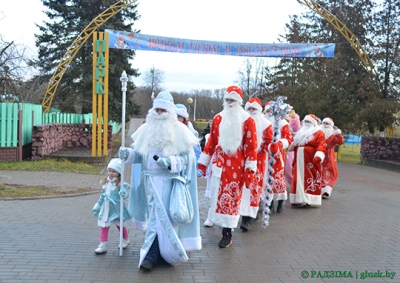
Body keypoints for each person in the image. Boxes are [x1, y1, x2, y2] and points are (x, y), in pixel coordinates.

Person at [118, 91, 201, 271]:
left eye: (163, 110)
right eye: (157, 109)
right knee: (156, 219)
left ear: (170, 112)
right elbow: (140, 156)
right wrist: (129, 155)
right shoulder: (147, 130)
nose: (159, 113)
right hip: (149, 184)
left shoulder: (180, 132)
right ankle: (165, 254)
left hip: (169, 184)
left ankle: (151, 255)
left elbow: (188, 160)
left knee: (162, 220)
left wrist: (170, 162)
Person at [197, 85, 258, 248]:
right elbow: (211, 142)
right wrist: (203, 163)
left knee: (232, 199)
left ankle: (227, 233)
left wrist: (250, 169)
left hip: (237, 167)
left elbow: (251, 147)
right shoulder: (218, 118)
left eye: (232, 100)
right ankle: (223, 229)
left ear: (238, 101)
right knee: (218, 197)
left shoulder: (248, 121)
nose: (229, 103)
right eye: (227, 100)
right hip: (219, 166)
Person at [239, 98, 273, 231]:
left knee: (253, 189)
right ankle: (243, 215)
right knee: (243, 189)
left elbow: (269, 142)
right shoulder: (241, 121)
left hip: (258, 161)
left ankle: (246, 219)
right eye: (249, 109)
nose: (251, 111)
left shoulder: (265, 124)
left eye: (254, 109)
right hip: (242, 160)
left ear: (259, 111)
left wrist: (273, 146)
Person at [92, 158, 132, 254]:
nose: (111, 173)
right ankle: (103, 245)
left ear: (119, 173)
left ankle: (125, 239)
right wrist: (97, 205)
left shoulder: (120, 184)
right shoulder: (106, 183)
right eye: (110, 171)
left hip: (117, 209)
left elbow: (126, 195)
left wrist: (124, 194)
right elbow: (102, 196)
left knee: (120, 225)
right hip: (106, 209)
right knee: (104, 226)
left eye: (114, 171)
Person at [288, 114, 326, 207]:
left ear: (313, 123)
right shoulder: (300, 132)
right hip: (298, 159)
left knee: (309, 178)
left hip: (310, 160)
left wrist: (319, 156)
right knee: (297, 178)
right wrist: (290, 146)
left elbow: (321, 145)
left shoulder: (318, 132)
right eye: (305, 121)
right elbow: (295, 143)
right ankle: (297, 199)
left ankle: (308, 199)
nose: (307, 123)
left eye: (309, 121)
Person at [264, 102, 293, 214]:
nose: (269, 114)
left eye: (271, 111)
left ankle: (281, 200)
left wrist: (280, 144)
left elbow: (287, 138)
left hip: (277, 155)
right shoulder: (263, 122)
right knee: (266, 179)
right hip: (265, 154)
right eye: (267, 111)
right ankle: (269, 203)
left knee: (278, 179)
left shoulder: (282, 123)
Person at [321, 117, 344, 198]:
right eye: (324, 123)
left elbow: (340, 142)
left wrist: (338, 132)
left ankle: (326, 190)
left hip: (329, 156)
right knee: (320, 172)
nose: (325, 125)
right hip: (319, 154)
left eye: (327, 124)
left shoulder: (333, 134)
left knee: (331, 173)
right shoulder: (319, 133)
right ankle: (320, 189)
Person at [284, 107, 301, 186]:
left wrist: (294, 119)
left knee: (289, 168)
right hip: (278, 148)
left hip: (289, 148)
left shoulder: (293, 123)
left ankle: (295, 185)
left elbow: (297, 129)